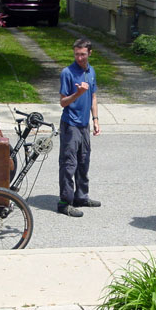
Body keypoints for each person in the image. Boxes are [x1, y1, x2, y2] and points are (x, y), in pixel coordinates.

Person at [57, 38, 101, 217]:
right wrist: (78, 93)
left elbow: (94, 97)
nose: (79, 58)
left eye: (82, 54)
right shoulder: (67, 73)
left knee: (84, 162)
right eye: (76, 54)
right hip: (70, 125)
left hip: (84, 125)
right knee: (69, 164)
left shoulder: (91, 71)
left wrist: (96, 119)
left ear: (90, 53)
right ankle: (64, 203)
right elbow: (62, 102)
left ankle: (81, 197)